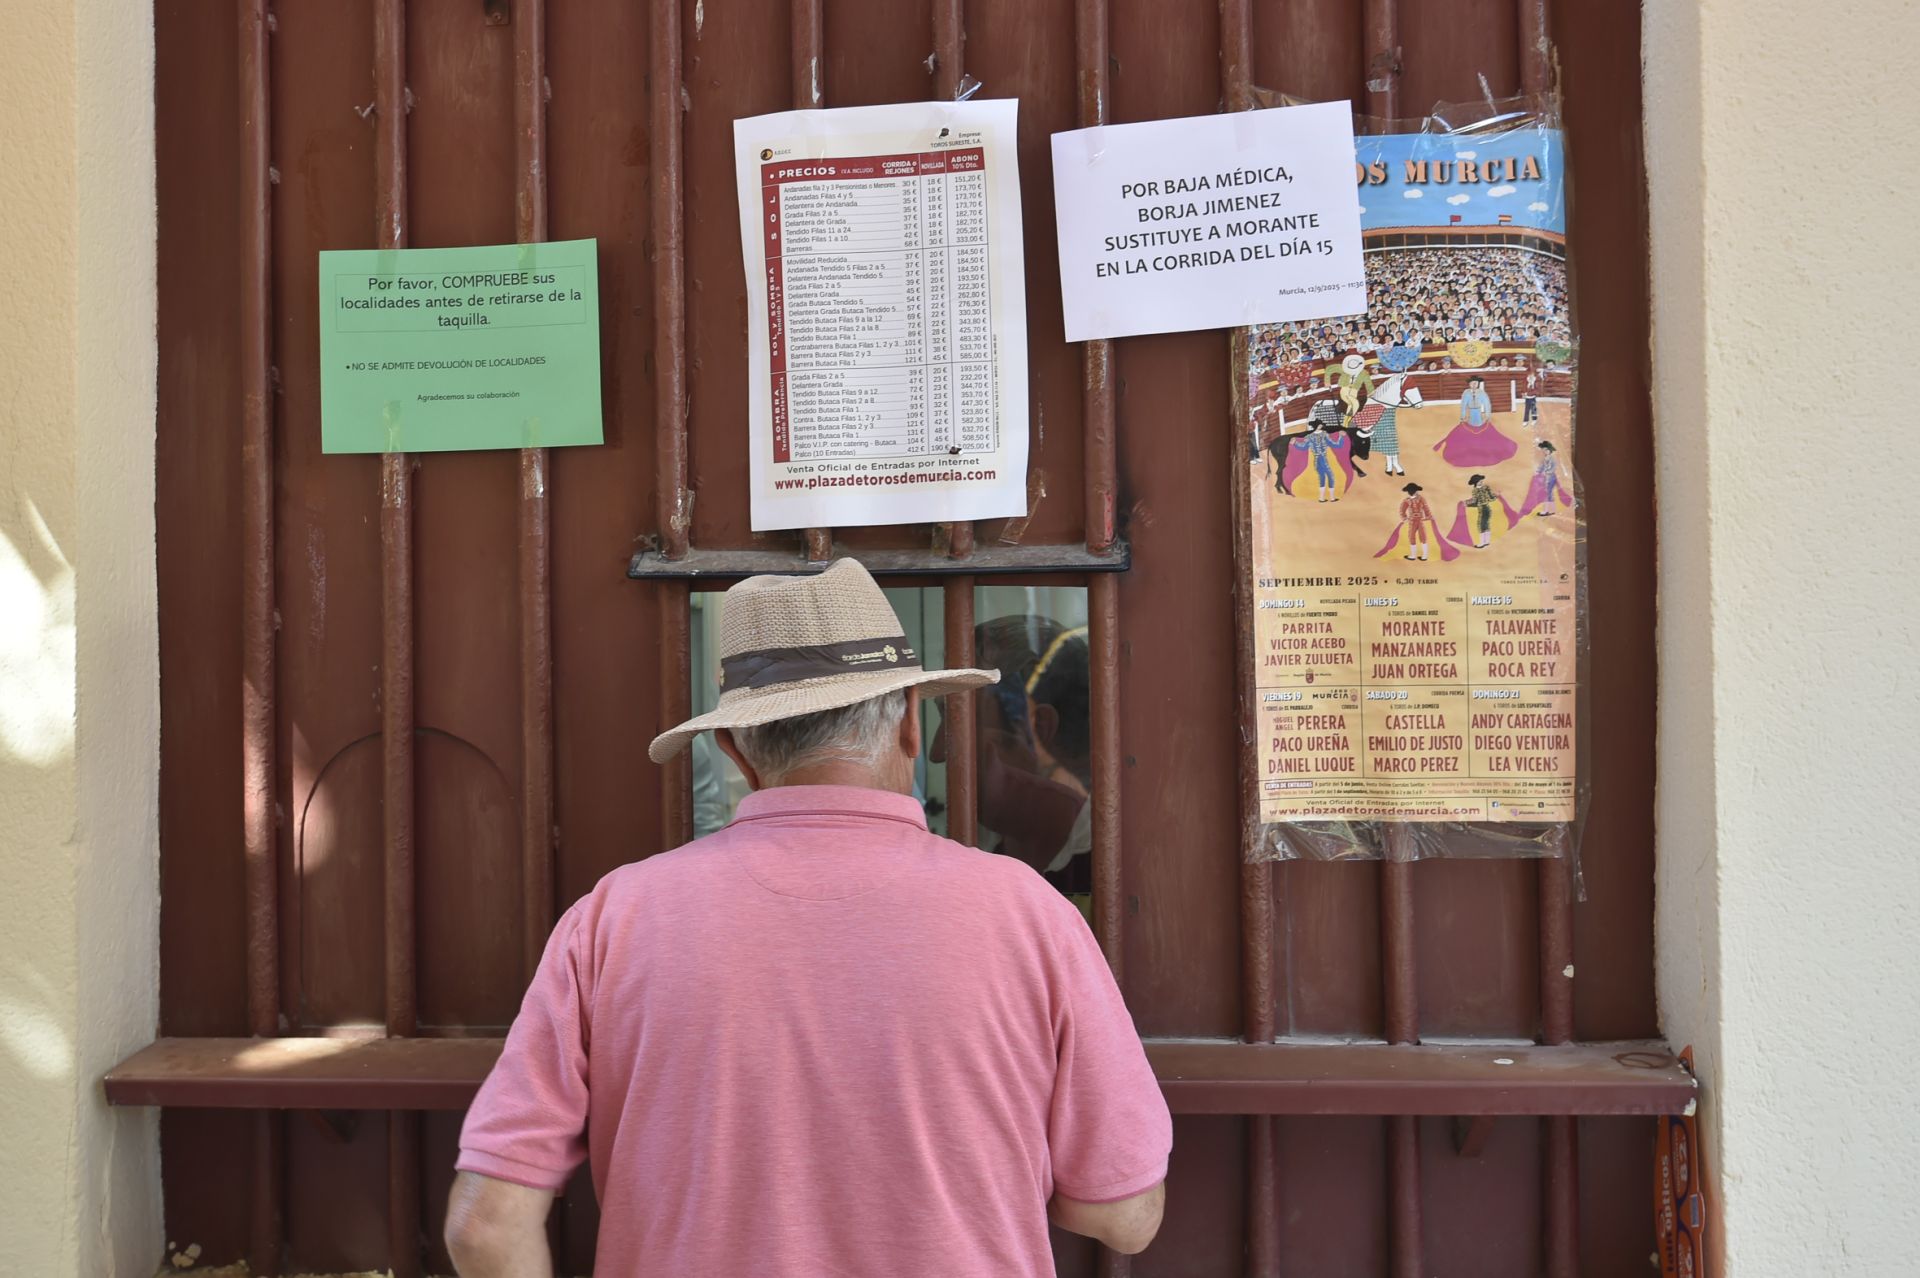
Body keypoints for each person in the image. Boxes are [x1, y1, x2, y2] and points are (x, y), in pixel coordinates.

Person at [445, 559, 1170, 1277]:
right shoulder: (1031, 916)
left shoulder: (613, 920)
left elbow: (484, 1229)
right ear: (912, 724)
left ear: (735, 749)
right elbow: (1125, 1216)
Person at [1432, 374, 1520, 467]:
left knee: (1479, 426)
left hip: (1478, 412)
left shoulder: (1481, 393)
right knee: (1469, 427)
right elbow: (1464, 405)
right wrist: (1463, 416)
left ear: (1478, 384)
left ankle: (1479, 445)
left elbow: (1486, 404)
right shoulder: (1466, 393)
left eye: (1476, 383)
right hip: (1470, 412)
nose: (1474, 385)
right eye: (1472, 383)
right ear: (1469, 384)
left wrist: (1487, 415)